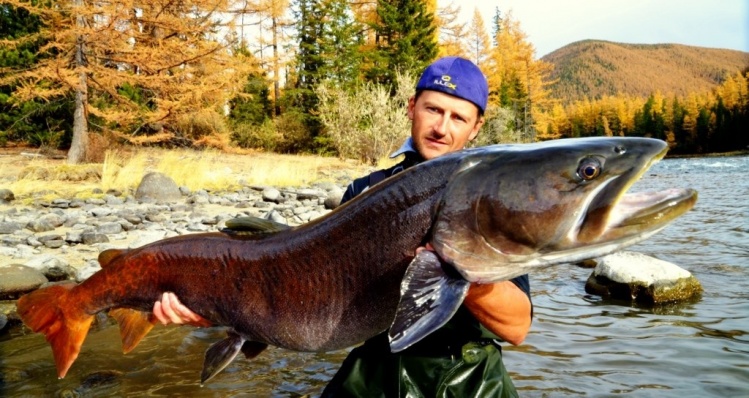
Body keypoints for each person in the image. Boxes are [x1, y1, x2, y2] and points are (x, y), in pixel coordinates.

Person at [153, 56, 532, 397]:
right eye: (433, 109)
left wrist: (460, 266)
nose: (441, 127)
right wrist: (214, 306)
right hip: (378, 367)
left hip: (469, 376)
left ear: (476, 127)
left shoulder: (495, 200)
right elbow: (306, 294)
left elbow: (517, 328)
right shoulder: (367, 191)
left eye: (458, 117)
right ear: (411, 107)